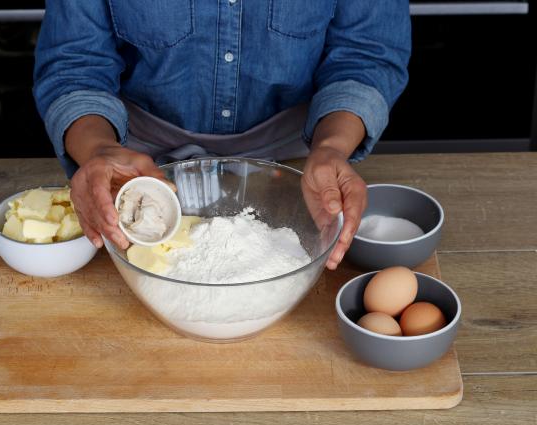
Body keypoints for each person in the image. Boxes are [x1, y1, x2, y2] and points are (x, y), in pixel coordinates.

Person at [33, 1, 411, 270]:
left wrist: (331, 148)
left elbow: (365, 54)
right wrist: (99, 148)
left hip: (298, 166)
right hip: (137, 169)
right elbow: (75, 62)